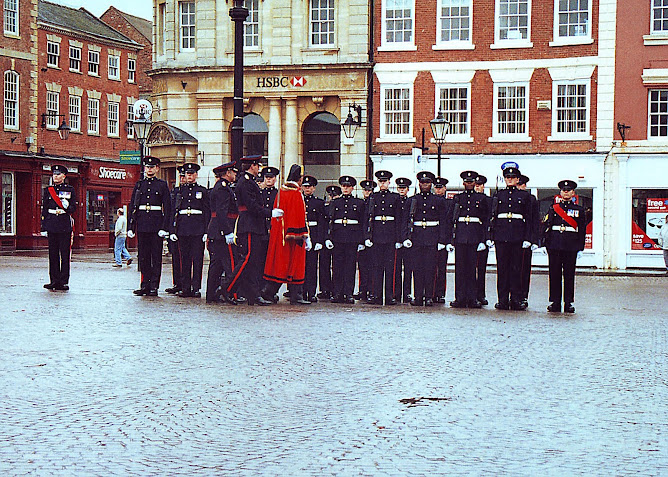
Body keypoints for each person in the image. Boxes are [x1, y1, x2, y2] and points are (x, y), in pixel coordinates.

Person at [225, 155, 277, 306]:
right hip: (249, 225)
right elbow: (252, 206)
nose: (259, 168)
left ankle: (253, 294)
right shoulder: (245, 183)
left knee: (253, 262)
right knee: (247, 259)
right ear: (252, 166)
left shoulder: (249, 182)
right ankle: (227, 287)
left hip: (254, 225)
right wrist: (270, 213)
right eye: (257, 165)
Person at [262, 164, 311, 305]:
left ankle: (269, 292)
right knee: (295, 265)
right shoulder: (295, 193)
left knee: (280, 264)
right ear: (300, 178)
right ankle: (296, 295)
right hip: (293, 235)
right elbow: (299, 216)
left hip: (280, 234)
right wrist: (304, 235)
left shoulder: (282, 191)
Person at [490, 164, 533, 310]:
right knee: (502, 269)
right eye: (507, 177)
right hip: (501, 236)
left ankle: (516, 299)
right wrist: (491, 235)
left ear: (517, 179)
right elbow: (493, 216)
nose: (510, 180)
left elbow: (530, 218)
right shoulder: (498, 195)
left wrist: (528, 238)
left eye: (512, 177)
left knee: (516, 269)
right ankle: (502, 299)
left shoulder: (525, 196)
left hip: (517, 235)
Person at [127, 156, 172, 296]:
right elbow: (133, 206)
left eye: (152, 167)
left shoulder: (162, 185)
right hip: (142, 224)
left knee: (155, 257)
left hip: (156, 225)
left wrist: (165, 228)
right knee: (143, 256)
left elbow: (168, 208)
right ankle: (144, 284)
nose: (149, 169)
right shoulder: (139, 185)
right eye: (147, 167)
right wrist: (130, 227)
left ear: (157, 168)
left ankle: (154, 285)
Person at [402, 171, 447, 307]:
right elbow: (405, 220)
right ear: (419, 184)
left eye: (427, 182)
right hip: (416, 237)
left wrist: (442, 240)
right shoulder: (412, 200)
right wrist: (405, 237)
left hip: (432, 237)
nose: (425, 185)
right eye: (422, 182)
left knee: (430, 268)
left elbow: (444, 222)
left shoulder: (438, 201)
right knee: (417, 268)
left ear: (431, 184)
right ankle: (418, 296)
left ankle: (429, 296)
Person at [542, 180, 586, 313]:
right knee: (554, 274)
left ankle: (568, 303)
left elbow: (582, 230)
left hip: (570, 246)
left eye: (568, 190)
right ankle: (555, 302)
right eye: (563, 190)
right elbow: (547, 226)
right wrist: (545, 243)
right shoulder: (553, 208)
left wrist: (580, 247)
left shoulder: (579, 210)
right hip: (554, 245)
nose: (566, 193)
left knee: (569, 275)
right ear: (560, 193)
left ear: (573, 193)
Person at [448, 171, 490, 308]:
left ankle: (472, 298)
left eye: (472, 182)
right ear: (463, 183)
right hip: (460, 236)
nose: (469, 184)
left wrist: (483, 240)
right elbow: (452, 219)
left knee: (472, 269)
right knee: (459, 269)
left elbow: (485, 220)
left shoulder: (482, 199)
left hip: (474, 236)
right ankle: (459, 298)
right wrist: (451, 239)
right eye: (467, 181)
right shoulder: (458, 198)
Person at [170, 163, 210, 298]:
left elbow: (206, 212)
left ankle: (196, 287)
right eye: (187, 174)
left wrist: (206, 231)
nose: (189, 176)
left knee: (197, 259)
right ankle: (185, 287)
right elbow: (174, 211)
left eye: (192, 174)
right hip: (183, 228)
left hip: (197, 228)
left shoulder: (203, 191)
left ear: (196, 175)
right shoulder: (179, 191)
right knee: (184, 259)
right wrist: (173, 230)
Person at [365, 170, 402, 305]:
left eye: (384, 181)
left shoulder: (395, 197)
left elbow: (399, 219)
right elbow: (367, 218)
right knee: (376, 267)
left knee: (390, 268)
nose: (382, 184)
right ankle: (376, 295)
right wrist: (367, 236)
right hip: (376, 236)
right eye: (380, 181)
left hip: (390, 236)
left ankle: (389, 295)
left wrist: (399, 239)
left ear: (389, 182)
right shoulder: (373, 197)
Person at [327, 176, 365, 304]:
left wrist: (361, 241)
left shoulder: (359, 203)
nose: (345, 188)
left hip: (352, 238)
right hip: (338, 237)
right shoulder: (335, 202)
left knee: (350, 266)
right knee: (337, 267)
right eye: (343, 186)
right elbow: (330, 221)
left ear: (352, 188)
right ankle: (337, 293)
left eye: (348, 186)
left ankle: (348, 293)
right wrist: (328, 238)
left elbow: (362, 223)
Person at [205, 162, 238, 304]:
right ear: (227, 173)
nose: (235, 174)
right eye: (233, 172)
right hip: (222, 231)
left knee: (216, 265)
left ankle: (211, 294)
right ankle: (229, 292)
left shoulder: (219, 187)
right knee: (229, 264)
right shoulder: (223, 189)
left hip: (216, 231)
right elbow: (222, 212)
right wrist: (228, 232)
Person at [41, 164, 76, 291]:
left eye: (58, 174)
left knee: (65, 254)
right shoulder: (48, 190)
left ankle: (63, 281)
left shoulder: (70, 189)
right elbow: (44, 209)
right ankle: (54, 280)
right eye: (54, 174)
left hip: (63, 224)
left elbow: (73, 208)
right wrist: (44, 226)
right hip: (51, 224)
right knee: (53, 254)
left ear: (64, 176)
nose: (55, 176)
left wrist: (67, 207)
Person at [302, 175, 326, 302]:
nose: (307, 189)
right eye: (305, 186)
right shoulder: (298, 200)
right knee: (300, 266)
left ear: (314, 188)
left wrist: (320, 241)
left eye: (309, 187)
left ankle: (311, 292)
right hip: (301, 236)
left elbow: (322, 222)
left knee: (312, 266)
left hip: (314, 235)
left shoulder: (319, 202)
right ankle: (299, 292)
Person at [517, 174, 540, 308]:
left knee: (524, 269)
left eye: (521, 185)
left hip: (525, 239)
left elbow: (534, 221)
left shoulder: (531, 199)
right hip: (514, 237)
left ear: (525, 186)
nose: (519, 187)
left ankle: (523, 295)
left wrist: (533, 239)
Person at [432, 177, 453, 303]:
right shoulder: (432, 201)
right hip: (432, 238)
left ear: (445, 188)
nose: (438, 190)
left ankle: (440, 293)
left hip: (443, 240)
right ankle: (431, 292)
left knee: (441, 268)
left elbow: (449, 223)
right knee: (430, 268)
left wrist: (448, 241)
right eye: (436, 187)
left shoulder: (449, 203)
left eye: (440, 187)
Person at [318, 185, 341, 300]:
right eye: (331, 195)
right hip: (325, 239)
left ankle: (335, 289)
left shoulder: (340, 207)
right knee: (324, 265)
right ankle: (325, 289)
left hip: (336, 237)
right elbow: (322, 223)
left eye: (335, 195)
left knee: (337, 265)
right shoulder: (324, 207)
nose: (332, 198)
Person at [166, 166, 186, 294]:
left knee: (185, 258)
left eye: (184, 176)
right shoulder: (175, 191)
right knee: (176, 258)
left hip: (185, 228)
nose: (183, 179)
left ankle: (185, 283)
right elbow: (170, 211)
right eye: (181, 176)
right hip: (175, 228)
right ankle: (177, 283)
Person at [355, 179, 376, 302]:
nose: (367, 192)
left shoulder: (374, 203)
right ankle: (363, 289)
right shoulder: (360, 204)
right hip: (362, 239)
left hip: (373, 239)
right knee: (362, 266)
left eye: (369, 190)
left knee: (372, 266)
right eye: (365, 190)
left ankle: (371, 290)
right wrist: (361, 240)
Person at [394, 177, 413, 303]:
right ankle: (396, 293)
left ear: (407, 189)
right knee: (396, 268)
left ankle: (406, 293)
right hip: (396, 240)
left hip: (408, 240)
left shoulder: (411, 202)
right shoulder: (394, 201)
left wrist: (407, 238)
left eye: (404, 188)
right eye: (400, 188)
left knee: (408, 268)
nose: (401, 190)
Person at [474, 174, 492, 305]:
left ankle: (480, 294)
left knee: (481, 269)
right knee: (469, 268)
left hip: (482, 238)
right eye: (475, 185)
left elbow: (489, 221)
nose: (477, 187)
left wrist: (487, 238)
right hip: (470, 238)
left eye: (479, 185)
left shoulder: (488, 200)